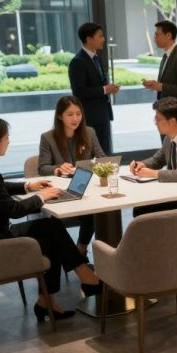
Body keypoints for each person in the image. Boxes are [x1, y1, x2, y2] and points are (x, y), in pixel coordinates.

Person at [0, 117, 103, 321]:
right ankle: (85, 280)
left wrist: (27, 187)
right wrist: (41, 197)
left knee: (51, 227)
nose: (9, 141)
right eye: (6, 137)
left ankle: (53, 298)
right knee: (51, 236)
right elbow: (13, 209)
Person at [37, 96, 106, 254]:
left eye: (78, 113)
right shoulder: (48, 137)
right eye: (70, 114)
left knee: (93, 211)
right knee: (76, 216)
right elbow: (42, 167)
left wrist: (95, 164)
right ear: (60, 116)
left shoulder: (89, 132)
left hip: (86, 187)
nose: (75, 118)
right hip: (61, 191)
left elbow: (101, 158)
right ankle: (70, 255)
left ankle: (81, 249)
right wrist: (58, 169)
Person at [68, 22, 118, 154]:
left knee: (106, 153)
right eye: (100, 36)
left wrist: (108, 88)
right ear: (89, 39)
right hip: (90, 118)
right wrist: (105, 89)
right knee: (91, 156)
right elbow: (79, 91)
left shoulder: (96, 58)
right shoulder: (78, 62)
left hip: (103, 115)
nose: (103, 39)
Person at [142, 20, 177, 127]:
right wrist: (156, 85)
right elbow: (168, 82)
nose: (154, 38)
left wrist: (161, 86)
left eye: (157, 34)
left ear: (169, 35)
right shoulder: (166, 56)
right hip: (167, 115)